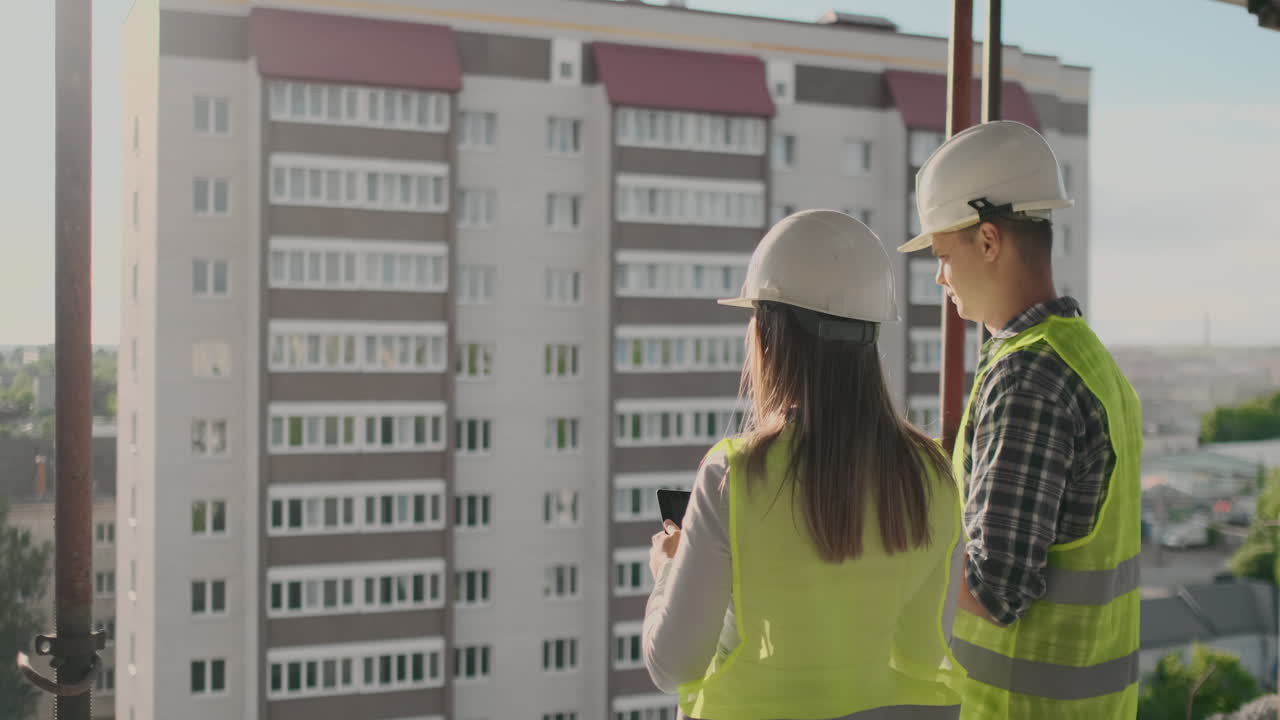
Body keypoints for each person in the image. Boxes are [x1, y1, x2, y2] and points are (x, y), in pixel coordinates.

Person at [643, 210, 967, 720]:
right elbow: (926, 648)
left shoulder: (735, 476)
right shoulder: (933, 475)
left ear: (769, 335)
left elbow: (673, 668)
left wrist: (667, 569)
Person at [897, 120, 1143, 719]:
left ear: (987, 241)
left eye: (943, 254)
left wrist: (883, 548)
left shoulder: (1029, 378)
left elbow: (993, 588)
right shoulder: (1083, 357)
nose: (939, 276)